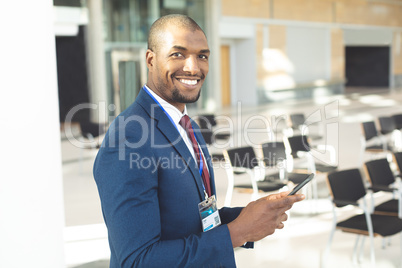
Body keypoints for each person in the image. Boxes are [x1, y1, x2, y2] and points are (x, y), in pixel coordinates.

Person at [93, 14, 305, 267]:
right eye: (178, 54)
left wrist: (249, 215)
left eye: (202, 56)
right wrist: (238, 233)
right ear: (151, 59)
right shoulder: (129, 137)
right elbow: (138, 260)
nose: (193, 68)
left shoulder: (186, 124)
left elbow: (192, 218)